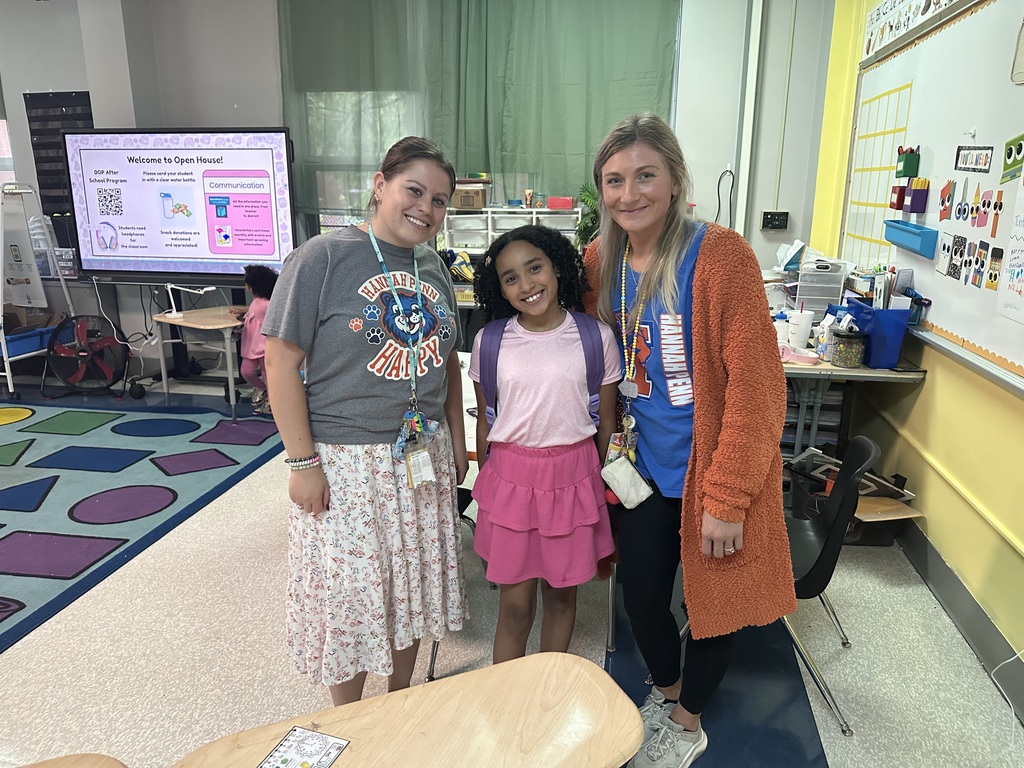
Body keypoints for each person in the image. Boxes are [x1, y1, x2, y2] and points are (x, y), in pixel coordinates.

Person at [585, 114, 798, 768]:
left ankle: (687, 720)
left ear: (675, 180)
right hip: (642, 472)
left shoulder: (721, 255)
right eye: (614, 180)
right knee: (642, 599)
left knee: (715, 609)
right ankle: (667, 688)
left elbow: (758, 389)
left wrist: (727, 499)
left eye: (645, 175)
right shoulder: (601, 260)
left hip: (713, 473)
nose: (629, 194)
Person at [262, 136, 469, 706]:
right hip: (346, 460)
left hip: (420, 455)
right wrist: (302, 462)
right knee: (353, 598)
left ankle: (396, 703)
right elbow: (278, 362)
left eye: (440, 200)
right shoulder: (323, 257)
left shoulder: (433, 266)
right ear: (380, 184)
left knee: (409, 591)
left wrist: (455, 438)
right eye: (415, 190)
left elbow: (446, 359)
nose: (427, 208)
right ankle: (350, 720)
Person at [469, 225, 619, 663]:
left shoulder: (595, 337)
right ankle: (508, 698)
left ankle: (547, 694)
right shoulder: (491, 341)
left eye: (534, 268)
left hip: (575, 478)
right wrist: (487, 485)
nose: (527, 284)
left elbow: (606, 424)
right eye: (510, 277)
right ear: (498, 288)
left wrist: (607, 491)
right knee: (514, 607)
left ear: (557, 267)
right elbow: (487, 419)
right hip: (512, 480)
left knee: (561, 598)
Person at [229, 264, 278, 414]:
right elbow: (254, 310)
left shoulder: (268, 304)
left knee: (267, 374)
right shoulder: (257, 301)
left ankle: (273, 401)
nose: (245, 287)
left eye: (247, 284)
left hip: (265, 346)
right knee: (246, 371)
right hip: (251, 345)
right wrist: (244, 310)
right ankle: (262, 389)